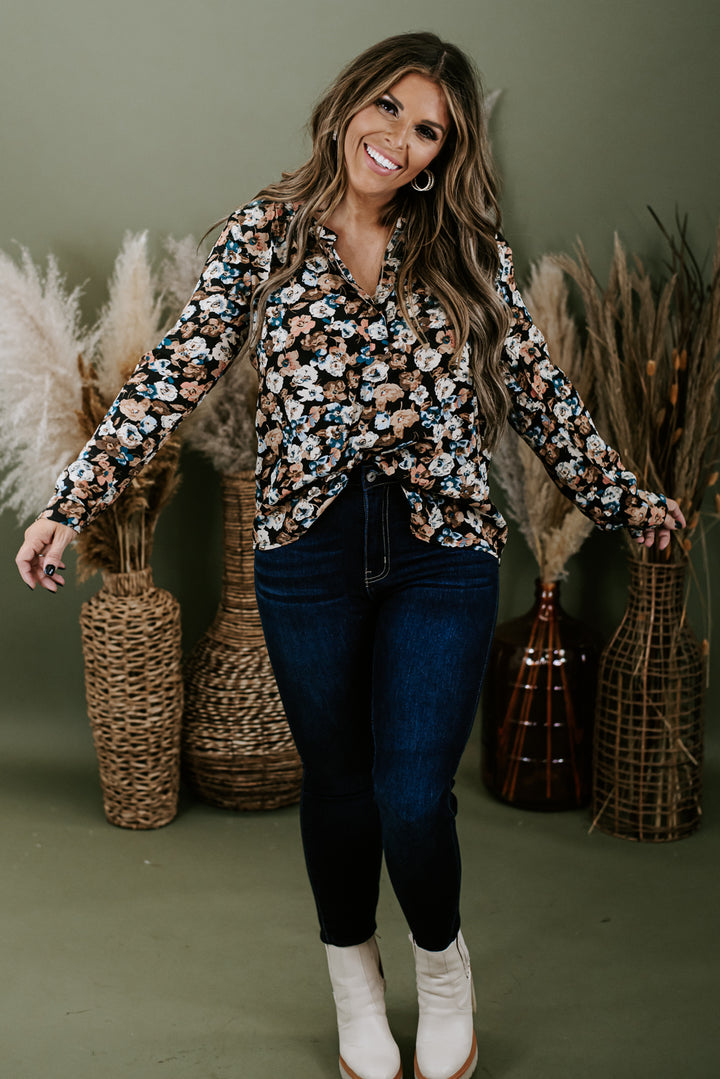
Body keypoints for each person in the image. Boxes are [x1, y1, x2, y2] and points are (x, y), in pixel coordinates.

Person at [15, 31, 683, 1079]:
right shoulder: (266, 234)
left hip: (441, 549)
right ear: (348, 103)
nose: (399, 139)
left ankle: (444, 968)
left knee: (411, 792)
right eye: (388, 108)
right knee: (337, 784)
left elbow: (541, 398)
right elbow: (174, 371)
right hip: (307, 551)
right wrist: (74, 499)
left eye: (429, 132)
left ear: (444, 154)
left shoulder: (468, 249)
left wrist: (628, 501)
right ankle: (355, 982)